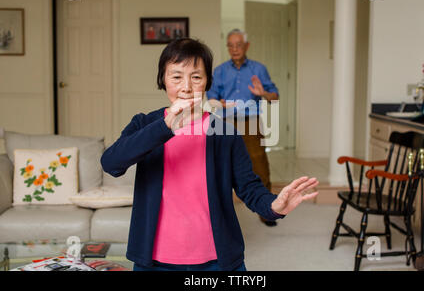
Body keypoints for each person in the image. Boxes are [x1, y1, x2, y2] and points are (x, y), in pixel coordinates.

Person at [101, 38, 319, 271]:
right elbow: (112, 163)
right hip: (154, 262)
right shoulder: (145, 124)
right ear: (162, 80)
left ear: (206, 82)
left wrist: (275, 206)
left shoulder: (225, 133)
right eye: (176, 77)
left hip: (217, 261)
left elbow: (249, 188)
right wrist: (164, 127)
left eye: (196, 77)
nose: (186, 86)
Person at [207, 28, 280, 226]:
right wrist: (218, 103)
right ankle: (219, 210)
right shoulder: (220, 70)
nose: (234, 49)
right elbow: (211, 97)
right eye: (230, 45)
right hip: (225, 123)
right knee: (220, 166)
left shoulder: (258, 69)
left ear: (246, 46)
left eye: (238, 45)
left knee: (259, 165)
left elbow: (275, 97)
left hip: (251, 121)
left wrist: (263, 92)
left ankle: (267, 210)